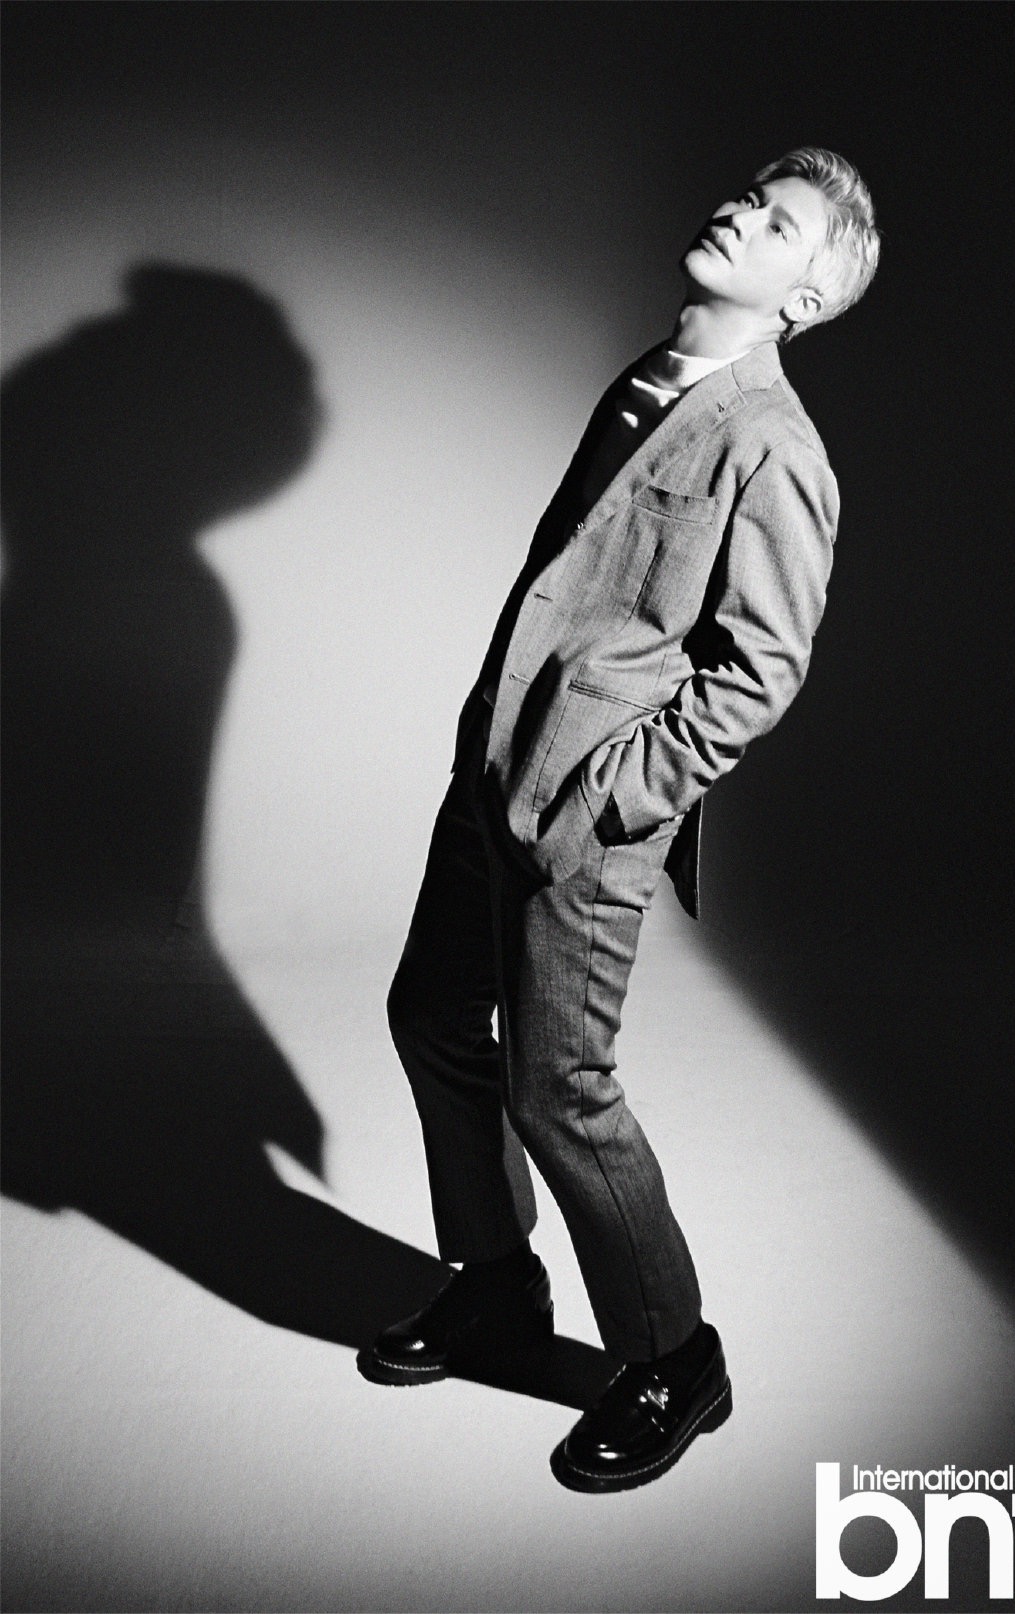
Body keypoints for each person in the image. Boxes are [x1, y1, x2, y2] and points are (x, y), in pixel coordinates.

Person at [359, 147, 880, 1492]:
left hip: (586, 812)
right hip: (494, 768)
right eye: (749, 196)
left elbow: (760, 670)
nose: (740, 214)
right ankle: (494, 1281)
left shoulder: (773, 446)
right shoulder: (648, 380)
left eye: (779, 224)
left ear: (805, 298)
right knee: (431, 1015)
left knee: (560, 1090)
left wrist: (613, 796)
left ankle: (673, 1357)